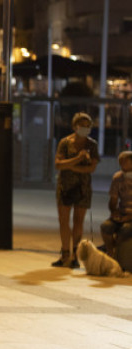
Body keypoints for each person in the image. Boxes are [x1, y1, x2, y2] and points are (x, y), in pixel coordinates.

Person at [53, 112, 99, 268]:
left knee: (78, 221)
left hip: (83, 188)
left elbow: (92, 168)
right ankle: (64, 253)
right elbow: (58, 164)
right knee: (63, 220)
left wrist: (70, 166)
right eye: (82, 126)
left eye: (88, 126)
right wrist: (78, 159)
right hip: (65, 186)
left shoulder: (92, 145)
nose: (85, 129)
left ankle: (74, 255)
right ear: (74, 126)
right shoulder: (65, 142)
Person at [100, 151, 132, 259]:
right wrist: (114, 212)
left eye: (125, 162)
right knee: (106, 227)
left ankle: (112, 251)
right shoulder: (118, 178)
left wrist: (128, 217)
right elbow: (113, 200)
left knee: (125, 230)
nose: (122, 165)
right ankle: (110, 253)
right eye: (120, 162)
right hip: (122, 213)